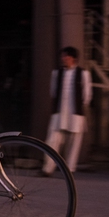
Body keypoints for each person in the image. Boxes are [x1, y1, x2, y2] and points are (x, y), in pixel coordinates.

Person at [41, 46, 92, 177]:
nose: (64, 59)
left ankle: (69, 170)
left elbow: (87, 95)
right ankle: (47, 168)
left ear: (73, 58)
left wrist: (79, 106)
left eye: (67, 56)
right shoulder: (56, 73)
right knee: (52, 140)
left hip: (75, 114)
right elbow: (53, 91)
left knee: (73, 143)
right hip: (59, 112)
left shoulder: (83, 73)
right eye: (63, 56)